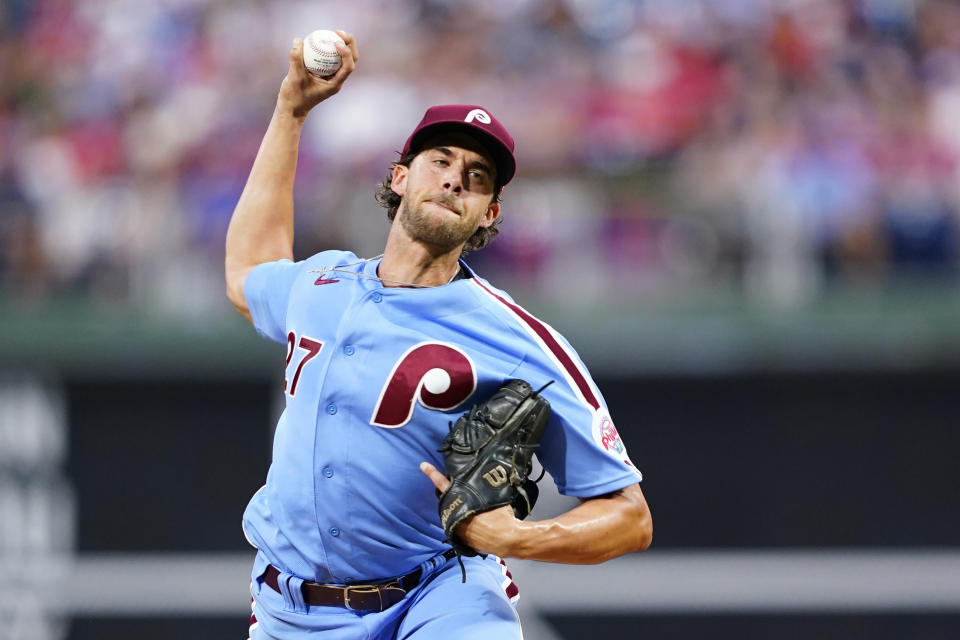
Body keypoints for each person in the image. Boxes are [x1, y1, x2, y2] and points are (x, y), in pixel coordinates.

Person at [225, 31, 652, 640]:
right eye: (441, 161)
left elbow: (629, 516)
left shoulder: (518, 339)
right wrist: (290, 112)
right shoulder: (320, 282)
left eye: (478, 176)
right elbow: (247, 275)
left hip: (439, 596)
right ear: (400, 177)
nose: (456, 179)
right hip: (287, 608)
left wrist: (520, 538)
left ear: (491, 213)